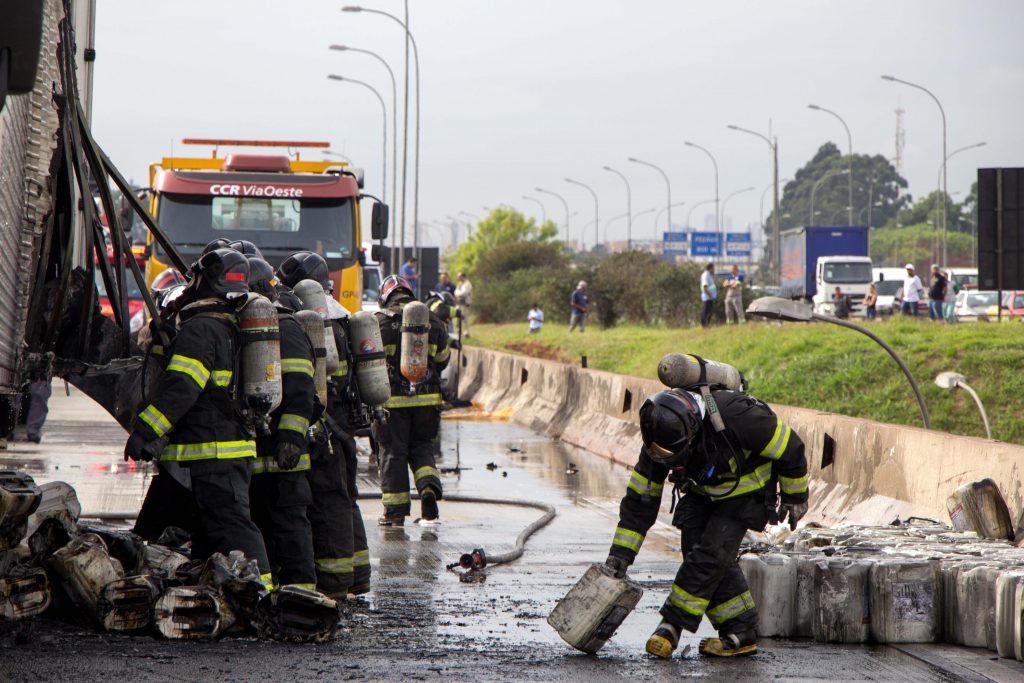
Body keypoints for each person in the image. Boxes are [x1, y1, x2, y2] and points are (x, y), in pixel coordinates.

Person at [604, 386, 808, 659]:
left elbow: (791, 448)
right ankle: (740, 631)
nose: (672, 467)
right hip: (705, 489)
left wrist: (795, 496)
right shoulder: (659, 440)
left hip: (748, 490)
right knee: (694, 547)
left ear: (692, 431)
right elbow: (641, 501)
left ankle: (670, 626)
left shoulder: (738, 417)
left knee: (710, 555)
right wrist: (620, 556)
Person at [126, 248, 273, 588]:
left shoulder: (200, 329)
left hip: (214, 448)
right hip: (226, 447)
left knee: (232, 525)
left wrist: (145, 430)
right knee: (211, 530)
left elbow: (182, 387)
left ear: (204, 280)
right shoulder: (228, 324)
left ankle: (263, 594)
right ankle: (217, 591)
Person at [277, 250, 366, 598]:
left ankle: (334, 583)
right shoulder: (342, 319)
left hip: (324, 426)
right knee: (345, 499)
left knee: (328, 501)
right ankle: (357, 575)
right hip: (343, 425)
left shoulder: (312, 321)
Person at [245, 257, 318, 591]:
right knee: (260, 527)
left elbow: (303, 389)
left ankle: (303, 599)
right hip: (252, 458)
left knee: (290, 528)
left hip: (284, 456)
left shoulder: (286, 328)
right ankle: (269, 598)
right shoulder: (245, 324)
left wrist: (290, 438)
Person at [374, 275, 450, 526]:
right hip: (427, 402)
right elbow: (443, 360)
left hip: (392, 404)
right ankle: (427, 489)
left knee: (394, 453)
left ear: (386, 296)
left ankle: (395, 513)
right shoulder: (434, 322)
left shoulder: (380, 323)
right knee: (421, 447)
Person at [455, 272, 473, 337]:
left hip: (464, 304)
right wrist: (459, 293)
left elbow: (464, 293)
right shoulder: (459, 284)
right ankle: (458, 332)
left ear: (463, 277)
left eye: (459, 276)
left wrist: (458, 293)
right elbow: (455, 292)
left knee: (465, 318)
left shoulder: (467, 284)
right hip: (458, 303)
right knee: (457, 318)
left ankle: (466, 333)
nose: (458, 278)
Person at [700, 263, 717, 328]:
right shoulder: (706, 275)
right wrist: (709, 295)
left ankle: (707, 325)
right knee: (705, 312)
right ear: (710, 268)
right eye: (713, 268)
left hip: (710, 297)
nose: (714, 270)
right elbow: (705, 286)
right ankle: (704, 325)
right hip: (707, 297)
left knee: (709, 312)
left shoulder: (709, 275)